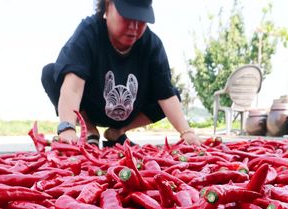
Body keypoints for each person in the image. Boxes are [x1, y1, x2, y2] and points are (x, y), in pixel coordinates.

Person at [41, 0, 200, 147]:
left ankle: (118, 131)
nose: (134, 26)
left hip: (130, 111)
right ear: (108, 5)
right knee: (50, 73)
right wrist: (67, 128)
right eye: (128, 16)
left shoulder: (151, 44)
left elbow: (165, 94)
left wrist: (186, 132)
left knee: (173, 95)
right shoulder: (88, 33)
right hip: (89, 108)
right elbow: (73, 87)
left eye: (141, 19)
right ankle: (90, 129)